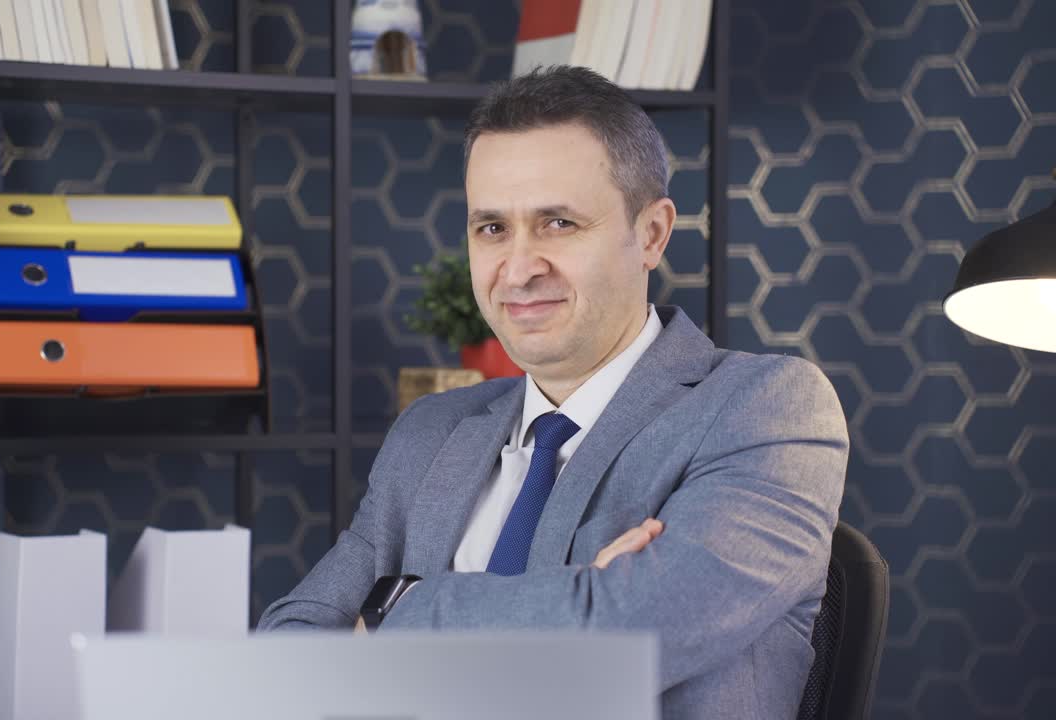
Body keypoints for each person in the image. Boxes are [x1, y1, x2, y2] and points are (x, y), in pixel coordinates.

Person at [257, 65, 848, 720]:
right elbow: (287, 655)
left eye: (558, 223)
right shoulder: (428, 434)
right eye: (491, 229)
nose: (517, 268)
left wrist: (394, 610)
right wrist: (578, 601)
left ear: (651, 234)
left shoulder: (766, 408)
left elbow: (629, 636)